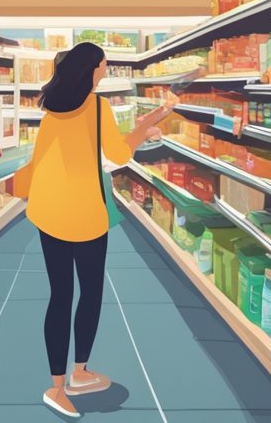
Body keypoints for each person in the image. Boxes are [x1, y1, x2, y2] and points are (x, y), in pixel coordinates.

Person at [12, 42, 179, 418]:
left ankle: (61, 384)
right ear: (92, 69)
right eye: (103, 65)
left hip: (49, 210)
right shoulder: (98, 106)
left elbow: (45, 158)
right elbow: (118, 155)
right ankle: (77, 373)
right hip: (85, 213)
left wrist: (145, 124)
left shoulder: (52, 107)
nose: (105, 70)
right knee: (90, 293)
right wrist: (144, 136)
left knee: (60, 295)